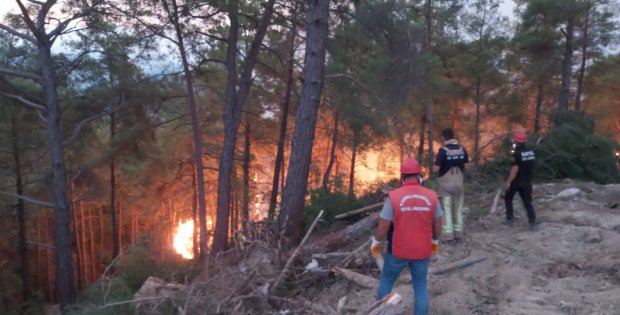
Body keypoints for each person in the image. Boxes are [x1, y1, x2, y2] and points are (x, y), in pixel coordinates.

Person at [370, 157, 443, 315]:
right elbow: (438, 223)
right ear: (419, 175)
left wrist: (376, 242)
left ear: (402, 177)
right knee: (420, 286)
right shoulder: (432, 196)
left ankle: (380, 312)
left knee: (387, 281)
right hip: (422, 251)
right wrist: (435, 239)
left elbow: (384, 225)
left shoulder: (393, 197)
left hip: (398, 251)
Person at [432, 128, 469, 243]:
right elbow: (467, 166)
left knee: (447, 210)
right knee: (457, 210)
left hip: (446, 185)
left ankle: (448, 237)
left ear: (443, 137)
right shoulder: (462, 149)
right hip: (459, 183)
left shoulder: (443, 151)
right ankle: (458, 235)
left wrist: (433, 167)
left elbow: (436, 169)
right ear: (453, 136)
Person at [503, 131, 538, 230]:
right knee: (528, 203)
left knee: (508, 199)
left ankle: (509, 219)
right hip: (527, 181)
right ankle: (533, 223)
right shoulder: (531, 152)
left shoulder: (516, 154)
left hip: (516, 182)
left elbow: (514, 170)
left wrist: (508, 182)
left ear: (516, 142)